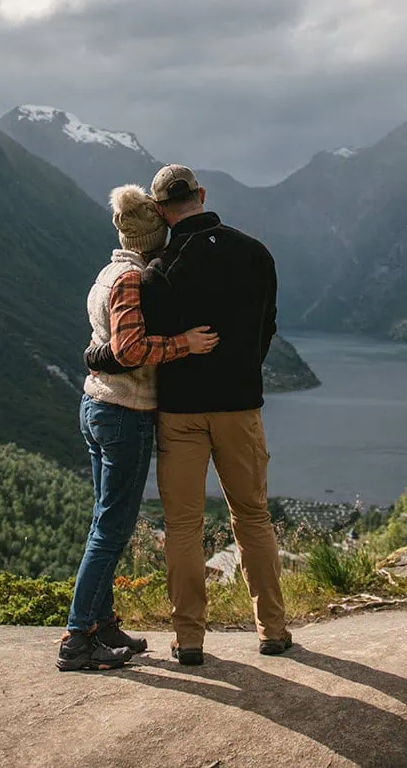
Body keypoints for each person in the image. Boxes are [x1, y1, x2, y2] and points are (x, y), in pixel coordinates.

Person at [88, 164, 293, 665]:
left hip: (179, 415)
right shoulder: (256, 254)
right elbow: (267, 329)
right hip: (240, 407)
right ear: (202, 194)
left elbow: (130, 347)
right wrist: (240, 370)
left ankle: (190, 640)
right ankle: (272, 629)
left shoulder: (158, 272)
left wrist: (93, 357)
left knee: (183, 526)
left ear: (159, 209)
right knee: (252, 516)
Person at [57, 184, 220, 672]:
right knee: (113, 527)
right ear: (152, 237)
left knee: (102, 521)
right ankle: (76, 638)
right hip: (124, 413)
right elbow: (129, 352)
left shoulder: (108, 271)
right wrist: (184, 344)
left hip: (96, 406)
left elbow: (104, 345)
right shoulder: (131, 278)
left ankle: (102, 624)